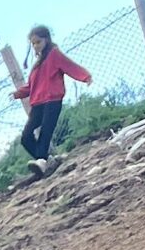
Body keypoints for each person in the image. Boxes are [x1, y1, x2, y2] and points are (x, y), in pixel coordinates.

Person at [15, 25, 92, 171]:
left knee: (46, 131)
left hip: (52, 101)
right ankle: (47, 160)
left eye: (38, 42)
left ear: (46, 40)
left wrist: (85, 76)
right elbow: (31, 86)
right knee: (26, 136)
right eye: (33, 43)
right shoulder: (37, 65)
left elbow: (70, 66)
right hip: (38, 103)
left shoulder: (54, 55)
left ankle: (42, 160)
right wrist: (18, 93)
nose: (36, 46)